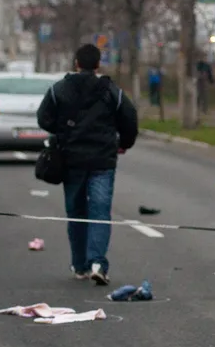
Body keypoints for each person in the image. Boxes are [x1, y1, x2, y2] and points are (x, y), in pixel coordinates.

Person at [36, 43, 139, 286]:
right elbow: (129, 117)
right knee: (100, 212)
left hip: (71, 159)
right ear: (98, 65)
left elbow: (44, 118)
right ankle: (98, 263)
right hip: (103, 159)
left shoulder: (59, 89)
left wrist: (63, 131)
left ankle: (80, 265)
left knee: (76, 212)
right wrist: (123, 143)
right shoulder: (111, 90)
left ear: (76, 64)